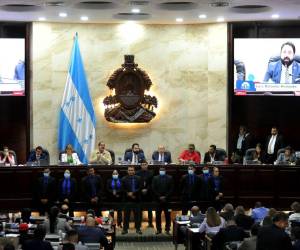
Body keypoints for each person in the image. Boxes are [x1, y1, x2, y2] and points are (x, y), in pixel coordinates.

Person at [152, 166, 174, 234]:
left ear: (165, 171)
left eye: (163, 170)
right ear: (159, 171)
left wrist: (165, 197)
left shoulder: (170, 178)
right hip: (158, 201)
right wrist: (159, 196)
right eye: (161, 170)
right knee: (158, 215)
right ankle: (159, 229)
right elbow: (153, 188)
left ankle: (167, 229)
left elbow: (171, 188)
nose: (162, 171)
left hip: (167, 200)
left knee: (168, 215)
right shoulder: (155, 178)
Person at [121, 165, 142, 234]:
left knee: (137, 216)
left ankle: (138, 229)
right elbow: (122, 189)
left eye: (132, 170)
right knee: (126, 216)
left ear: (134, 171)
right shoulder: (124, 179)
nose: (131, 171)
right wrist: (128, 194)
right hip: (127, 200)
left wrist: (133, 193)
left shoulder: (138, 178)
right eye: (129, 170)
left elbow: (140, 188)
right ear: (127, 171)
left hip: (136, 200)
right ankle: (125, 229)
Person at [136, 161, 154, 227]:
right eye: (142, 165)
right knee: (139, 209)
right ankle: (139, 223)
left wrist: (147, 189)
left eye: (145, 165)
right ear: (140, 166)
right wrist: (141, 189)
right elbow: (137, 183)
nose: (144, 166)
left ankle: (150, 223)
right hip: (140, 193)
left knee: (150, 209)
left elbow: (152, 183)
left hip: (148, 193)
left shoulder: (151, 172)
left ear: (147, 165)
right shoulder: (137, 173)